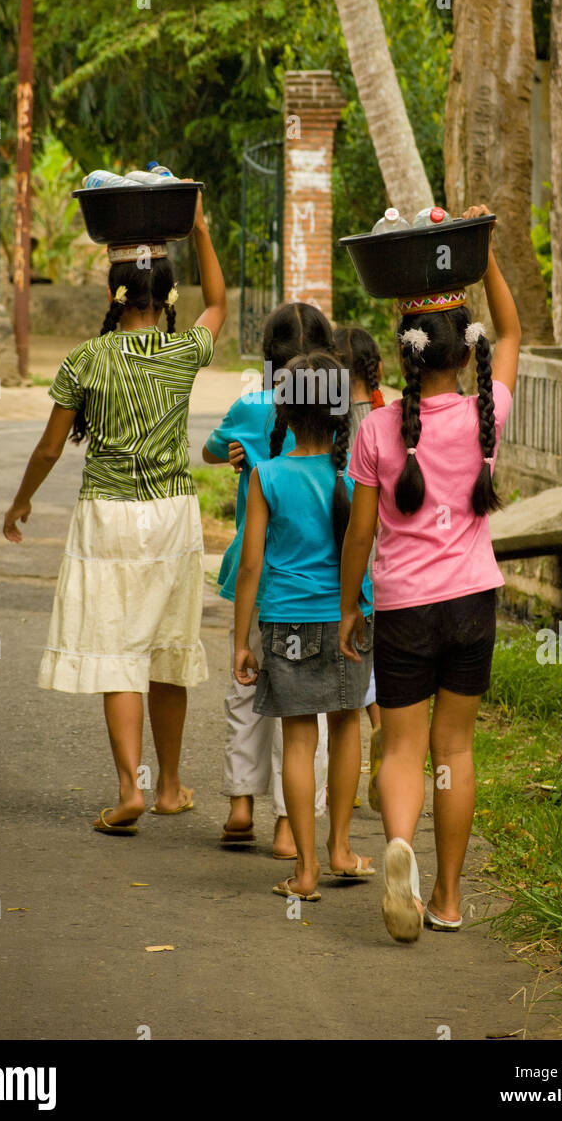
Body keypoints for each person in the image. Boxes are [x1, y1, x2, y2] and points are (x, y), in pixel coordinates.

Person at [3, 192, 226, 835]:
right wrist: (201, 229)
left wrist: (22, 502)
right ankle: (172, 787)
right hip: (172, 515)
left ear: (114, 292)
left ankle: (130, 787)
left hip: (107, 515)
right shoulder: (185, 352)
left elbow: (50, 446)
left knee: (118, 650)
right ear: (166, 294)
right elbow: (218, 305)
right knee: (167, 649)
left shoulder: (85, 360)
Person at [339, 204, 521, 941]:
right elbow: (511, 332)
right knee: (456, 750)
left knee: (404, 748)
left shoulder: (378, 429)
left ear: (405, 354)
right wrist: (485, 258)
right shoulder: (490, 411)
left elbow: (359, 533)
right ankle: (445, 897)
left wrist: (352, 605)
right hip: (475, 600)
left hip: (407, 607)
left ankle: (399, 846)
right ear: (465, 351)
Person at [234, 352, 375, 901]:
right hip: (347, 619)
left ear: (285, 412)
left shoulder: (266, 475)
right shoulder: (353, 477)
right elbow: (365, 547)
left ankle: (307, 869)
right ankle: (342, 848)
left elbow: (251, 566)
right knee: (345, 730)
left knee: (298, 737)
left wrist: (242, 640)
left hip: (285, 620)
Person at [203, 303, 333, 856]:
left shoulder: (251, 405)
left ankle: (240, 805)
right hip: (316, 589)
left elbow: (211, 449)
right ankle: (290, 826)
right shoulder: (334, 414)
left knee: (247, 689)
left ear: (267, 358)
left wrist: (237, 450)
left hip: (254, 585)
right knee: (305, 709)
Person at [333, 324, 384, 805]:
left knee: (354, 644)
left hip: (348, 543)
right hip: (390, 552)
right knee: (377, 643)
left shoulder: (328, 417)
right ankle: (385, 724)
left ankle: (371, 725)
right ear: (379, 370)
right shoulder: (392, 413)